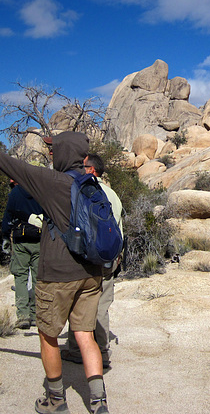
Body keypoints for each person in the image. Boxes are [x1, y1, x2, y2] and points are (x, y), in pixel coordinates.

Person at [0, 126, 110, 414]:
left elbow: (1, 159)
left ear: (65, 152)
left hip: (57, 275)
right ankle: (98, 401)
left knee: (48, 335)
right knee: (85, 335)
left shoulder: (51, 181)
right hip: (91, 274)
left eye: (54, 148)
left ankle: (55, 399)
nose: (51, 152)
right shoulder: (92, 183)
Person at [61, 154, 123, 369]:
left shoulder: (80, 190)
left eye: (83, 166)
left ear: (90, 170)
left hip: (85, 259)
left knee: (77, 302)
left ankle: (76, 350)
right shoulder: (113, 194)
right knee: (102, 305)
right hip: (108, 259)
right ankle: (103, 351)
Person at [2, 179, 43, 329]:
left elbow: (8, 216)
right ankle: (37, 314)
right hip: (39, 239)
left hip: (20, 239)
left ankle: (23, 315)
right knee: (38, 277)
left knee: (20, 277)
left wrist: (5, 236)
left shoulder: (14, 193)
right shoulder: (40, 191)